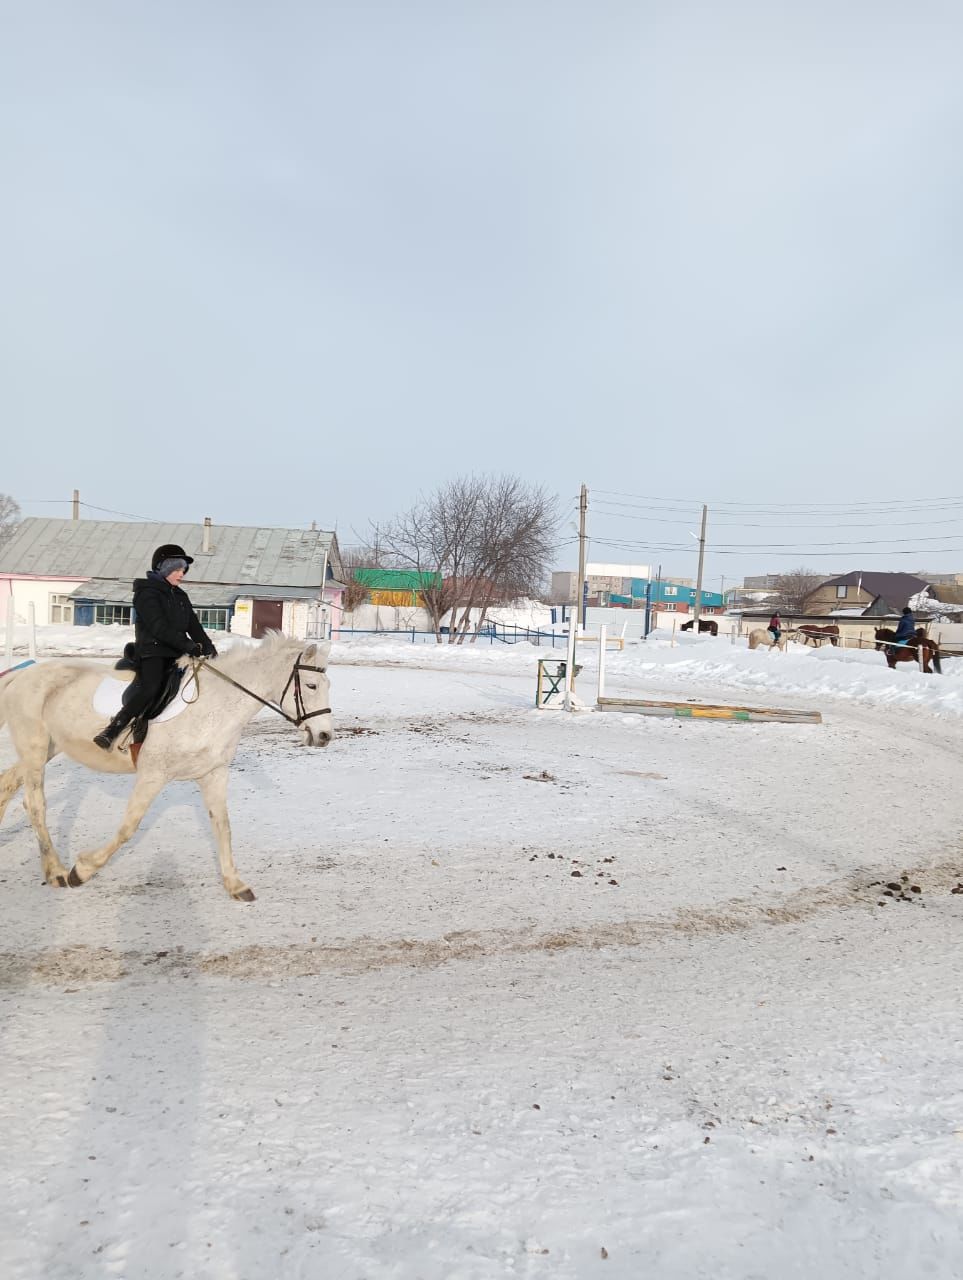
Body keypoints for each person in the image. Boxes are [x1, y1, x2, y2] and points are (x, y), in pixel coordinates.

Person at [93, 544, 218, 750]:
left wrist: (209, 649)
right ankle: (114, 729)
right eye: (177, 569)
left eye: (183, 569)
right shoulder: (147, 593)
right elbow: (159, 627)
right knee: (151, 686)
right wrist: (188, 645)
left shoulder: (180, 596)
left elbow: (194, 626)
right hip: (153, 651)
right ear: (164, 569)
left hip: (177, 653)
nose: (182, 574)